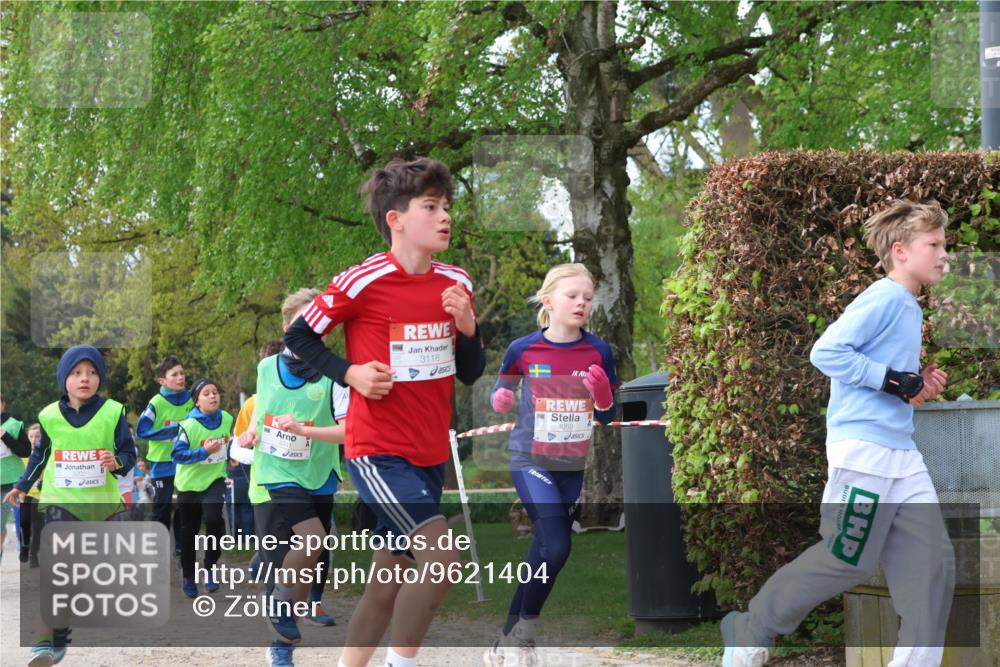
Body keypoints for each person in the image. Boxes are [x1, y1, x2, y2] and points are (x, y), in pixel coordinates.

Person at [721, 200, 955, 667]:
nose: (944, 254)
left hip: (900, 453)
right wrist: (894, 379)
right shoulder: (885, 297)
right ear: (901, 251)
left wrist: (914, 387)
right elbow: (827, 352)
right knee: (847, 558)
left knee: (933, 567)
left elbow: (887, 381)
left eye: (945, 244)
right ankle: (751, 628)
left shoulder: (907, 306)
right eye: (934, 244)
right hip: (864, 453)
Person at [284, 157, 486, 667]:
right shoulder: (363, 280)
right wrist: (348, 372)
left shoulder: (456, 281)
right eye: (431, 207)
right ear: (396, 219)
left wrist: (466, 327)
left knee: (386, 583)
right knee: (442, 561)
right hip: (377, 450)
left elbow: (469, 371)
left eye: (447, 207)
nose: (445, 217)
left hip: (428, 452)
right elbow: (299, 335)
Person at [484, 263, 618, 667]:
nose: (581, 303)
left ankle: (510, 636)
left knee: (547, 551)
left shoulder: (599, 350)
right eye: (572, 296)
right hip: (530, 460)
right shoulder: (523, 349)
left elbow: (607, 417)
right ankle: (522, 633)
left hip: (571, 465)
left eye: (588, 298)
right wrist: (501, 400)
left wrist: (602, 394)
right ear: (549, 301)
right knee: (558, 543)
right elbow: (501, 390)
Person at [3, 345, 136, 666]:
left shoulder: (112, 412)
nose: (84, 379)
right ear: (65, 379)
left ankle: (61, 630)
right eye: (76, 373)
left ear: (100, 378)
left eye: (91, 372)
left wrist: (114, 460)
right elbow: (39, 456)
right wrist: (22, 486)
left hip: (101, 506)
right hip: (59, 503)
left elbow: (129, 456)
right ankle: (42, 643)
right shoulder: (49, 415)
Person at [236, 291, 349, 667]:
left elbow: (349, 433)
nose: (314, 328)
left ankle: (282, 632)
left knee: (308, 559)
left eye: (321, 322)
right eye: (305, 321)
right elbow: (261, 412)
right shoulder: (267, 368)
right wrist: (250, 433)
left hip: (318, 475)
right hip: (275, 473)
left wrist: (305, 431)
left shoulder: (338, 374)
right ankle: (280, 642)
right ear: (288, 328)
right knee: (301, 545)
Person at [171, 378, 233, 598]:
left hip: (215, 479)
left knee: (214, 519)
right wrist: (203, 453)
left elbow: (229, 442)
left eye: (215, 392)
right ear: (197, 402)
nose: (213, 396)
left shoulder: (226, 418)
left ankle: (209, 568)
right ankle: (188, 575)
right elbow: (176, 454)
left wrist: (232, 454)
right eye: (206, 393)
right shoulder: (188, 426)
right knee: (190, 532)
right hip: (189, 485)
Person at [137, 356, 193, 557]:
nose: (180, 378)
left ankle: (181, 547)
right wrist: (172, 432)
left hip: (186, 462)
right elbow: (142, 431)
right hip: (162, 463)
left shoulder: (192, 398)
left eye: (182, 373)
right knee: (162, 507)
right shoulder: (156, 403)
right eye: (174, 375)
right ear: (163, 381)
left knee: (184, 505)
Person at [1, 394, 33, 560]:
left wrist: (5, 436)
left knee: (22, 521)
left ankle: (27, 548)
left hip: (12, 481)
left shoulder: (13, 425)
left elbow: (26, 451)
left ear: (3, 405)